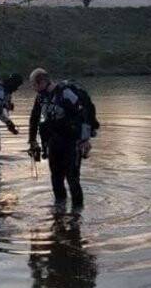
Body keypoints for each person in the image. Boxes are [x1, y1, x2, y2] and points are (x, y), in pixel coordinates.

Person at [27, 68, 98, 207]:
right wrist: (32, 141)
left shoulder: (66, 93)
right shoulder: (41, 97)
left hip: (72, 143)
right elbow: (34, 119)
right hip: (53, 143)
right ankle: (59, 211)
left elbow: (84, 115)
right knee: (56, 179)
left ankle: (77, 215)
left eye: (33, 85)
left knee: (72, 180)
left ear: (41, 82)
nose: (33, 88)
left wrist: (85, 140)